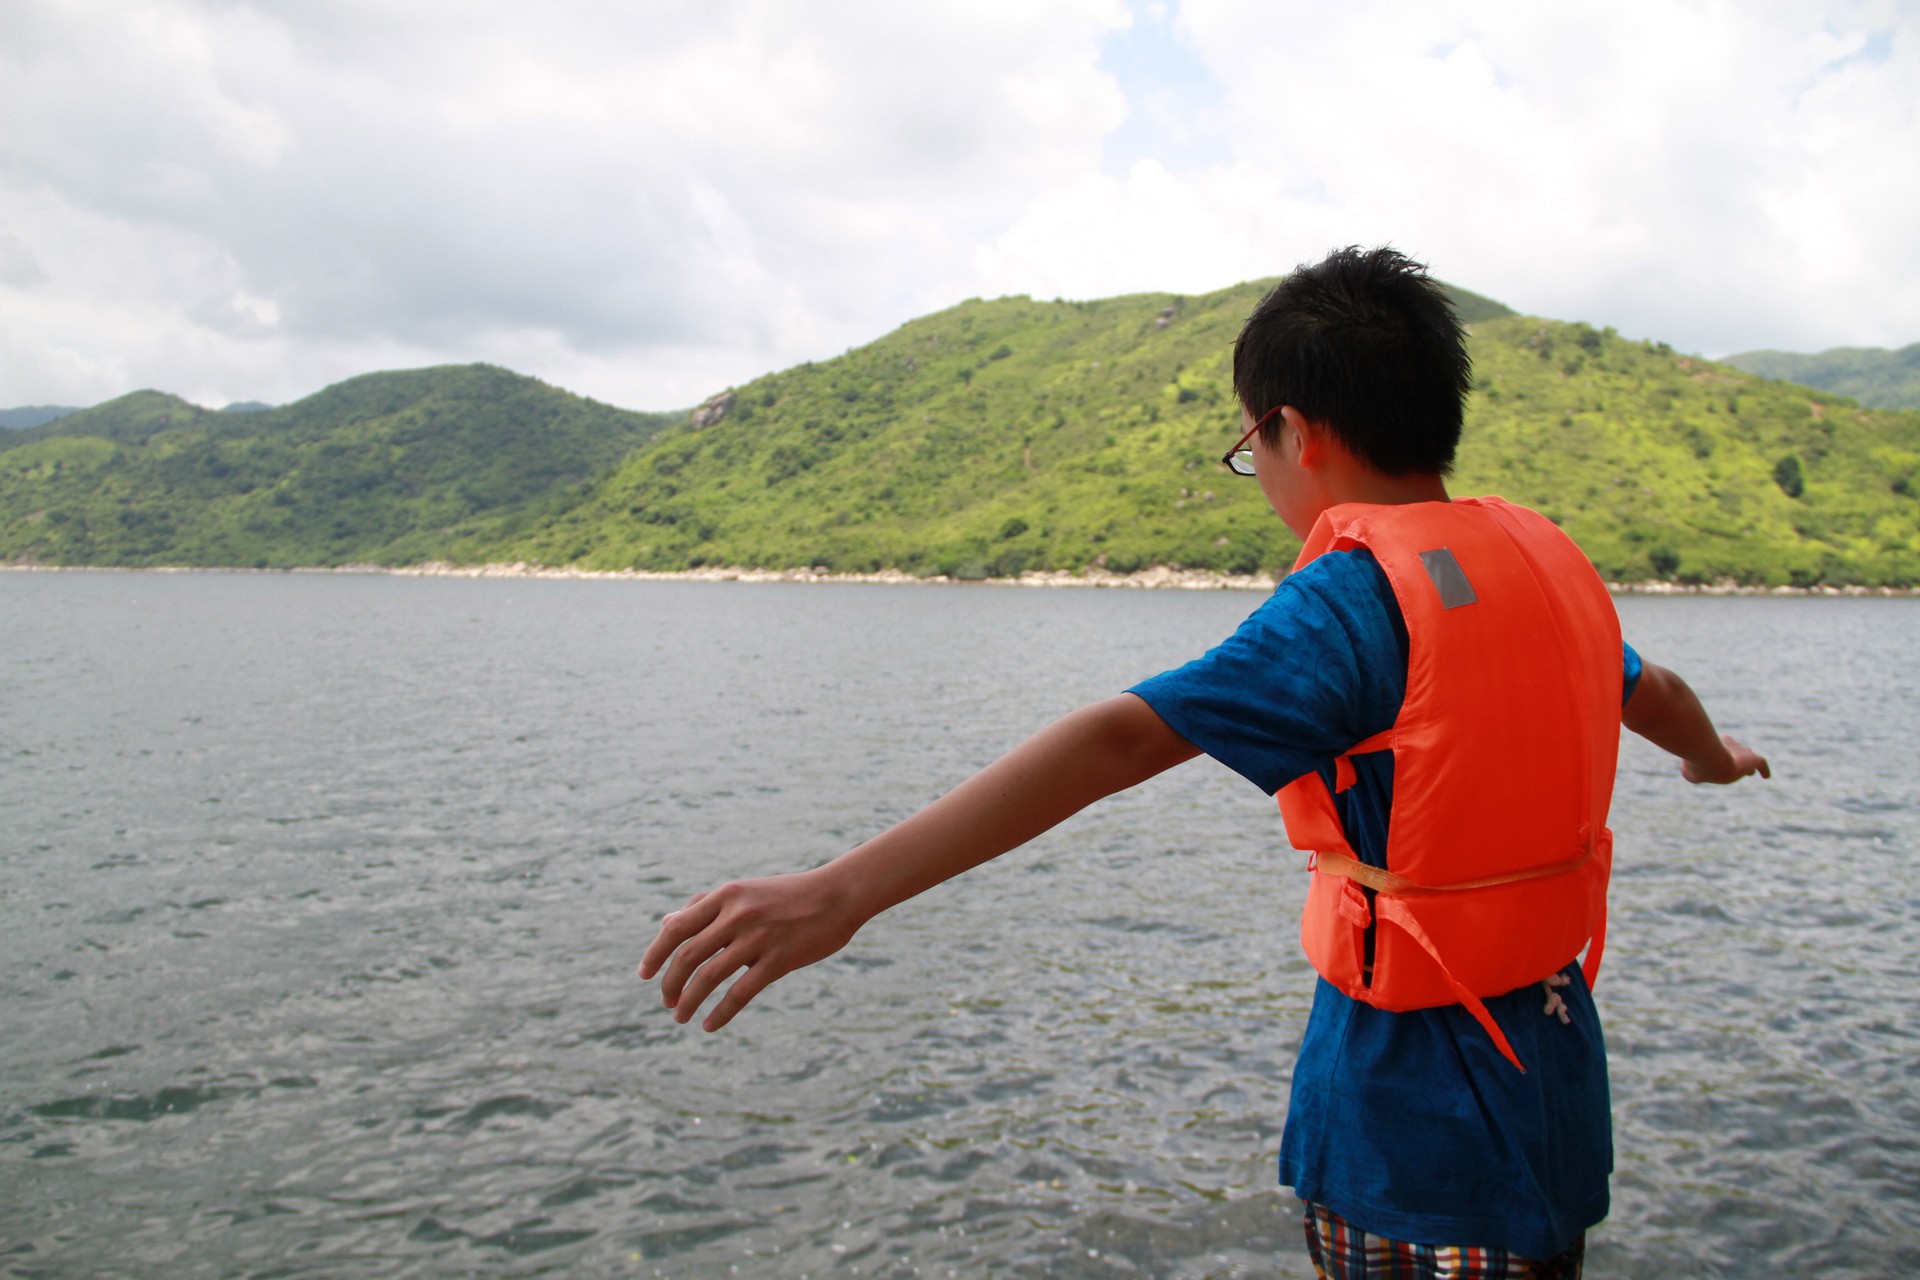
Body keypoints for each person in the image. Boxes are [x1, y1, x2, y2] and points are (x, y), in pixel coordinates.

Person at [639, 246, 1769, 1279]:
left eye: (1248, 450)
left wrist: (842, 890)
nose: (1259, 473)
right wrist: (1713, 759)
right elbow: (1657, 694)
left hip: (1409, 1126)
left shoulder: (1352, 600)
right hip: (1556, 1090)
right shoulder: (1539, 566)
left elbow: (1124, 737)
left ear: (1295, 431)